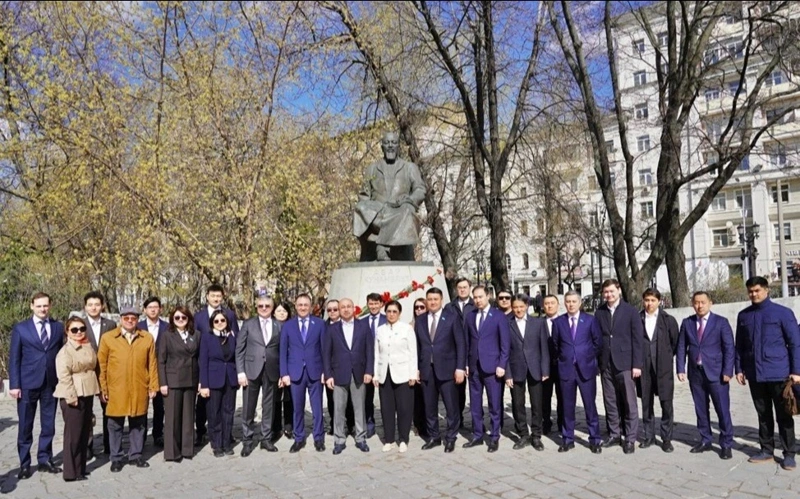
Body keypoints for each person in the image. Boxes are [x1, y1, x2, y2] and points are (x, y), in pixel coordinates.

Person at [735, 276, 800, 470]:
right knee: (763, 414)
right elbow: (740, 345)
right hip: (755, 374)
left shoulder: (783, 313)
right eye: (750, 291)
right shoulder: (744, 316)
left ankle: (789, 453)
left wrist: (796, 371)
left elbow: (795, 343)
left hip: (779, 373)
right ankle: (766, 450)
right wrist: (739, 369)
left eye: (757, 290)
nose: (753, 294)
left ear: (766, 290)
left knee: (784, 415)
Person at [9, 292, 64, 479]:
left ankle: (44, 459)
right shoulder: (21, 328)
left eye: (45, 305)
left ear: (50, 306)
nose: (43, 309)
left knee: (48, 425)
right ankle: (24, 464)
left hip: (50, 383)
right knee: (25, 426)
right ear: (32, 306)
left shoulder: (58, 327)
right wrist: (14, 385)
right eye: (39, 306)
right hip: (27, 384)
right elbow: (14, 358)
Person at [98, 306, 158, 472]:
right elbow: (101, 365)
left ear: (138, 320)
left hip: (139, 386)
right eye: (126, 318)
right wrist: (103, 387)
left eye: (133, 318)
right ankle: (116, 458)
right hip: (116, 388)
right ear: (121, 319)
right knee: (115, 424)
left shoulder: (146, 338)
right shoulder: (108, 338)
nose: (130, 321)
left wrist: (153, 385)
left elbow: (152, 363)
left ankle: (135, 455)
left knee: (138, 424)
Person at [677, 291, 735, 460]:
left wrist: (727, 371)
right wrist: (681, 368)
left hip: (717, 374)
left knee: (722, 410)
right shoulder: (687, 323)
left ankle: (726, 444)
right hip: (696, 373)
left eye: (703, 302)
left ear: (711, 303)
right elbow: (682, 347)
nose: (699, 306)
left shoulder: (721, 322)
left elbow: (729, 348)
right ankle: (705, 439)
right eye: (696, 302)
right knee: (700, 409)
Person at [353, 131, 426, 261]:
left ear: (399, 146)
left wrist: (410, 200)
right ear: (382, 147)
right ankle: (384, 240)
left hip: (400, 209)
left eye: (394, 142)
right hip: (378, 211)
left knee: (407, 211)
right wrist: (365, 206)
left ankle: (382, 247)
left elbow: (420, 189)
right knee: (361, 207)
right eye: (387, 143)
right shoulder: (372, 168)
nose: (390, 145)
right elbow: (364, 194)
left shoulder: (410, 167)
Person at [593, 278, 643, 454]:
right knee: (610, 401)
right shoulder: (599, 313)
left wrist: (637, 364)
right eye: (605, 292)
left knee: (629, 402)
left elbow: (638, 340)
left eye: (611, 291)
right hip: (606, 364)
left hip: (626, 364)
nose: (608, 295)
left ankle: (630, 438)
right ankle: (614, 434)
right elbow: (597, 338)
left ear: (619, 291)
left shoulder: (630, 311)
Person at [414, 288, 465, 453]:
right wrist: (417, 369)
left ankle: (451, 438)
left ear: (441, 300)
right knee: (429, 408)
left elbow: (460, 345)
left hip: (448, 370)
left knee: (451, 407)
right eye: (430, 299)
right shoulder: (420, 320)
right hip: (427, 370)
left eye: (435, 299)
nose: (433, 302)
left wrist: (460, 368)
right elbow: (418, 347)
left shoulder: (452, 317)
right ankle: (434, 437)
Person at [552, 290, 602, 454]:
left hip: (585, 369)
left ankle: (594, 439)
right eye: (568, 301)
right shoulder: (558, 322)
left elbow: (597, 343)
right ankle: (567, 439)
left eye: (574, 301)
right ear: (564, 303)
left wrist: (586, 357)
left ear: (580, 303)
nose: (571, 304)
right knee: (567, 406)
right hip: (566, 370)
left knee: (590, 406)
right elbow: (555, 345)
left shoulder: (589, 320)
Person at [323, 298, 374, 454]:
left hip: (358, 373)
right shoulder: (332, 329)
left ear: (354, 308)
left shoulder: (363, 326)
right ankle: (339, 440)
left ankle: (360, 438)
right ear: (339, 310)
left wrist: (368, 371)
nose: (345, 309)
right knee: (338, 409)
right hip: (338, 374)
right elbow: (326, 354)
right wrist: (328, 375)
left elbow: (369, 351)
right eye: (342, 307)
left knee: (359, 408)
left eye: (348, 306)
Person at [463, 285, 510, 452]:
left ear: (488, 296)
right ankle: (477, 434)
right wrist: (466, 364)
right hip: (474, 367)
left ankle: (495, 436)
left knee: (494, 404)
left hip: (492, 367)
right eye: (475, 297)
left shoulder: (498, 316)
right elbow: (467, 343)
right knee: (475, 404)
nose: (477, 300)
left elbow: (505, 344)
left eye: (480, 297)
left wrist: (502, 365)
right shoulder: (470, 317)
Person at [54, 316, 100, 481]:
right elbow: (64, 376)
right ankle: (71, 472)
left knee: (84, 433)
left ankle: (80, 469)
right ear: (67, 332)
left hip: (87, 392)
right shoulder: (65, 351)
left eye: (81, 328)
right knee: (73, 435)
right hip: (73, 394)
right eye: (74, 329)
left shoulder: (87, 346)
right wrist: (71, 396)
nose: (79, 332)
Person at [193, 284, 240, 445]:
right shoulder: (198, 317)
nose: (216, 299)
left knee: (226, 407)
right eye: (213, 296)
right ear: (207, 296)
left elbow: (236, 340)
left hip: (227, 368)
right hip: (205, 364)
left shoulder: (230, 315)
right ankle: (201, 432)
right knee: (204, 406)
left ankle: (226, 436)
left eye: (218, 296)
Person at [280, 293, 327, 453]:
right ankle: (299, 438)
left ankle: (319, 437)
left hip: (315, 372)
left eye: (305, 305)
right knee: (297, 408)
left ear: (310, 305)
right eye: (300, 305)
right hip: (295, 373)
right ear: (295, 306)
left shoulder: (319, 324)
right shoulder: (288, 326)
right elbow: (283, 351)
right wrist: (284, 373)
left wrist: (325, 372)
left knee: (317, 408)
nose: (302, 307)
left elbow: (324, 350)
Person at [236, 296, 281, 457]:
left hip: (271, 371)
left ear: (272, 306)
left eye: (267, 305)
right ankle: (247, 441)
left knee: (269, 406)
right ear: (256, 307)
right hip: (251, 370)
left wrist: (282, 373)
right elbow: (239, 349)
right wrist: (240, 372)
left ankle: (266, 438)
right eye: (260, 305)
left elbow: (281, 351)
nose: (263, 308)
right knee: (249, 407)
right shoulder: (248, 324)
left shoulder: (278, 325)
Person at [506, 294, 550, 451]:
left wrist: (545, 369)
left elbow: (544, 348)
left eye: (521, 306)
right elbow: (505, 351)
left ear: (527, 306)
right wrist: (508, 374)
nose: (518, 309)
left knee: (537, 404)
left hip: (535, 368)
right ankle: (523, 434)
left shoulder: (538, 323)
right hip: (516, 368)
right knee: (518, 404)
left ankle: (536, 435)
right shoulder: (507, 324)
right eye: (515, 307)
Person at [374, 300, 418, 453]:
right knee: (386, 408)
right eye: (389, 311)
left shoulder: (406, 329)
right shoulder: (380, 330)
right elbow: (376, 353)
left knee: (404, 408)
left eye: (394, 311)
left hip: (403, 374)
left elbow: (413, 353)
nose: (391, 314)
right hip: (385, 374)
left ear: (399, 313)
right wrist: (376, 374)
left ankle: (403, 438)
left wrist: (413, 373)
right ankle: (389, 439)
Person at [638, 288, 679, 453]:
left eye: (653, 300)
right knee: (646, 404)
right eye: (647, 300)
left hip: (663, 369)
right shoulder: (637, 319)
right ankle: (649, 436)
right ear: (643, 301)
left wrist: (666, 358)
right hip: (644, 369)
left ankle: (667, 438)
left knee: (666, 404)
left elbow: (674, 343)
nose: (649, 304)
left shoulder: (668, 320)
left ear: (659, 301)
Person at [158, 306, 199, 462]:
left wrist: (200, 381)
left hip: (190, 379)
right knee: (172, 418)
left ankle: (187, 450)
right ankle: (172, 452)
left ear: (188, 319)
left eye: (184, 317)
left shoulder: (196, 335)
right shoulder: (167, 336)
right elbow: (161, 360)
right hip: (173, 380)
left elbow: (199, 359)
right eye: (177, 318)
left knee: (188, 417)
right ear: (172, 320)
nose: (181, 320)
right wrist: (163, 382)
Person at [199, 310, 239, 457]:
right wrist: (203, 384)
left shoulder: (232, 337)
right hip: (213, 379)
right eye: (216, 321)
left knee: (228, 412)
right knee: (214, 413)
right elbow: (203, 361)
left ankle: (227, 441)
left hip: (230, 378)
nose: (220, 323)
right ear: (212, 323)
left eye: (223, 320)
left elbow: (236, 357)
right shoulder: (206, 338)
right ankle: (216, 443)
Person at [81, 291, 116, 457]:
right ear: (85, 307)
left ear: (102, 306)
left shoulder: (110, 324)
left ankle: (110, 444)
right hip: (85, 373)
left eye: (97, 304)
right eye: (90, 305)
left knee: (108, 409)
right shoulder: (79, 325)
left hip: (106, 373)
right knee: (86, 411)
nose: (94, 308)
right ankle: (87, 445)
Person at [139, 296, 169, 448]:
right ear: (144, 310)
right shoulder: (138, 327)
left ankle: (158, 433)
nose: (153, 309)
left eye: (156, 307)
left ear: (160, 309)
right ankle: (141, 436)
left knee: (159, 406)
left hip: (161, 371)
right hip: (142, 370)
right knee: (142, 405)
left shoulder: (168, 327)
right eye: (149, 307)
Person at [444, 277, 474, 425]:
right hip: (455, 353)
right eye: (460, 287)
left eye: (465, 287)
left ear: (470, 288)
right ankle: (458, 417)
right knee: (458, 389)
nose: (462, 289)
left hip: (473, 351)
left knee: (475, 388)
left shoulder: (475, 306)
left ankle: (477, 420)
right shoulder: (449, 307)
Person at [361, 292, 387, 438]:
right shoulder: (362, 321)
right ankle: (369, 424)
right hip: (367, 366)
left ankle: (387, 424)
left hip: (383, 364)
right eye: (371, 303)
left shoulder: (387, 319)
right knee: (367, 398)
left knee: (385, 397)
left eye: (376, 303)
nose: (374, 306)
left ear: (381, 304)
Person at [541, 294, 563, 435]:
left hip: (561, 365)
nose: (549, 306)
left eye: (552, 303)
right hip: (544, 366)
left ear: (557, 305)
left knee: (562, 395)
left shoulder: (563, 321)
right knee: (544, 396)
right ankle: (546, 422)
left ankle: (562, 422)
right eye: (547, 303)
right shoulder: (538, 323)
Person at [272, 302, 294, 440]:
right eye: (279, 310)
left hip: (290, 367)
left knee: (289, 398)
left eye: (284, 311)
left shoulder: (292, 326)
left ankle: (289, 426)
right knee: (274, 399)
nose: (281, 313)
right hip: (273, 368)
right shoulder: (270, 326)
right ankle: (276, 428)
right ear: (274, 312)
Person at [411, 297, 429, 440]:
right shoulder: (410, 326)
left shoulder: (430, 323)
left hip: (428, 365)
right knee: (417, 399)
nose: (419, 310)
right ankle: (419, 425)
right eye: (416, 307)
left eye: (422, 307)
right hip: (414, 366)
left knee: (427, 398)